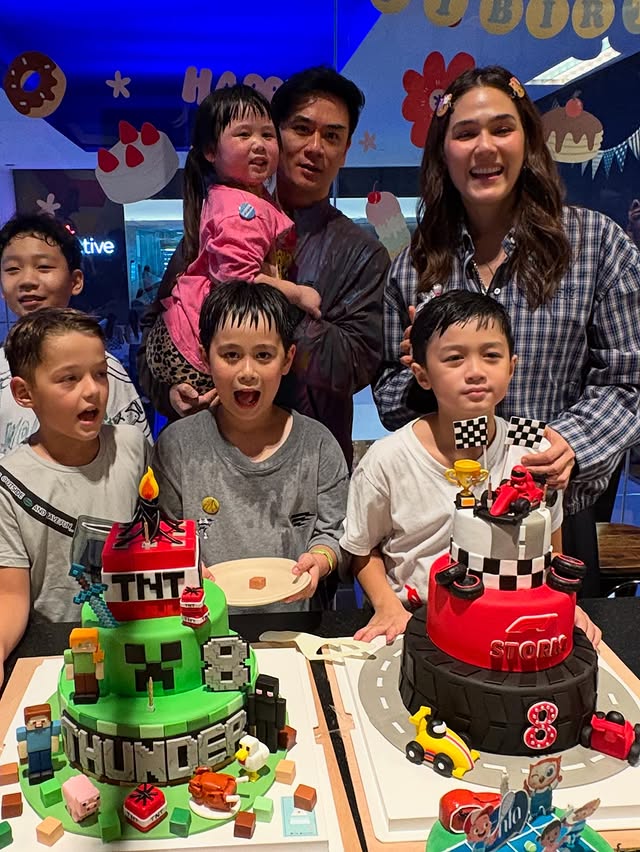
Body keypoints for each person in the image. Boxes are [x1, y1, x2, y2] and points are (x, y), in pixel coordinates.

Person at [372, 66, 640, 595]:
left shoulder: (595, 245)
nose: (484, 147)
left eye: (502, 128)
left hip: (554, 515)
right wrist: (421, 376)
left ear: (528, 140)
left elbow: (629, 380)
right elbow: (387, 391)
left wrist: (570, 443)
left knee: (551, 639)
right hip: (445, 514)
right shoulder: (414, 266)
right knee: (444, 639)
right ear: (443, 151)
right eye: (465, 133)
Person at [138, 66, 389, 469]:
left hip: (305, 465)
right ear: (278, 135)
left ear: (345, 152)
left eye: (332, 136)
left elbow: (352, 366)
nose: (315, 147)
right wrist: (171, 390)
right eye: (301, 129)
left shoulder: (363, 254)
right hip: (208, 456)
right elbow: (156, 329)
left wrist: (267, 296)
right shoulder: (218, 223)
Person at [341, 290, 601, 646]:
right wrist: (387, 607)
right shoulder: (388, 458)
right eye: (454, 358)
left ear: (511, 366)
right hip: (415, 626)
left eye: (491, 355)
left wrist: (565, 605)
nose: (476, 372)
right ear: (422, 375)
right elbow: (360, 547)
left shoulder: (536, 448)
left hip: (515, 628)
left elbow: (550, 548)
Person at [150, 279, 348, 613]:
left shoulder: (317, 446)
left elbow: (334, 531)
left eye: (263, 355)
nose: (247, 372)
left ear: (287, 359)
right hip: (203, 621)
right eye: (230, 355)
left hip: (293, 625)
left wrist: (320, 559)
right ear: (205, 357)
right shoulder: (177, 447)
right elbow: (162, 533)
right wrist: (180, 564)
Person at [0, 308, 149, 687]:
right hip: (56, 650)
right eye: (69, 378)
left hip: (138, 639)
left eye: (100, 373)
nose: (92, 390)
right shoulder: (8, 483)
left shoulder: (132, 446)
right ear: (24, 393)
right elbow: (10, 594)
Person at [145, 84, 322, 398]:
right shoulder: (241, 211)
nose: (259, 145)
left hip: (186, 335)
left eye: (267, 135)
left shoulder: (234, 196)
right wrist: (298, 294)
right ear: (211, 151)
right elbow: (239, 279)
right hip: (190, 347)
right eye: (243, 134)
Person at [0, 214, 150, 456]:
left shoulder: (105, 370)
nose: (27, 280)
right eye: (12, 269)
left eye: (43, 267)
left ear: (76, 281)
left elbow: (137, 457)